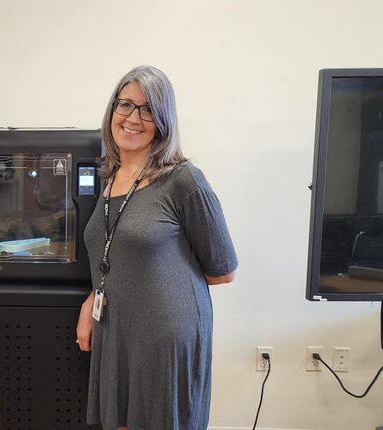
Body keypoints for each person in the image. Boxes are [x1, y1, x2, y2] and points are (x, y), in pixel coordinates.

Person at [76, 65, 238, 430]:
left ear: (164, 120)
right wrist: (92, 300)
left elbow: (223, 270)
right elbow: (116, 254)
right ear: (112, 110)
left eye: (148, 109)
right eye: (126, 105)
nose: (133, 118)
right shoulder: (110, 176)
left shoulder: (183, 180)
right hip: (116, 328)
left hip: (163, 336)